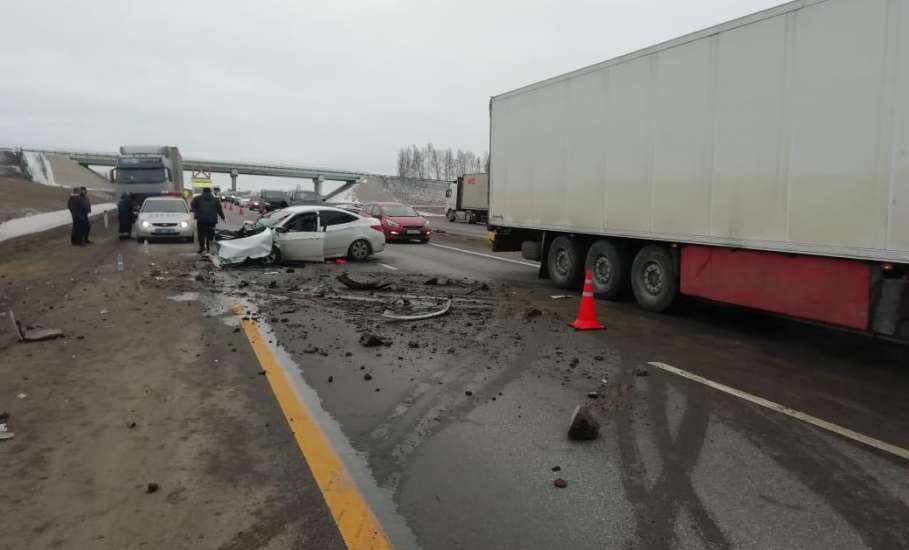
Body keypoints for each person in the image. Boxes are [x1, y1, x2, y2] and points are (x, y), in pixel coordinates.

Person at [190, 187, 225, 254]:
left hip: (201, 220)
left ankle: (202, 248)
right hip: (212, 221)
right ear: (210, 192)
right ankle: (209, 249)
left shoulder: (197, 198)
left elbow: (192, 205)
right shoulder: (215, 200)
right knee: (210, 235)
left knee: (201, 235)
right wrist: (223, 217)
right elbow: (219, 210)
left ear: (203, 191)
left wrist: (195, 211)